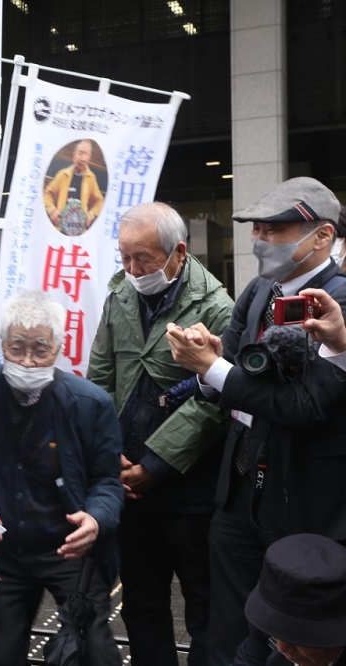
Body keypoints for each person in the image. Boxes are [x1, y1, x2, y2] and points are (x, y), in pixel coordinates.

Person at [165, 176, 346, 665]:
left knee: (290, 634)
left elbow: (305, 406)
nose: (260, 239)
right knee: (229, 623)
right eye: (257, 229)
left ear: (322, 236)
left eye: (274, 229)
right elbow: (235, 369)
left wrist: (216, 371)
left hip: (304, 498)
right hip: (239, 489)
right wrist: (209, 366)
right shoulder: (259, 289)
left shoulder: (338, 301)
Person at [87, 202, 233, 665]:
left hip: (191, 485)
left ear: (178, 253)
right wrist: (108, 454)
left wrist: (156, 464)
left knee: (204, 605)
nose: (133, 269)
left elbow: (215, 402)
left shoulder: (217, 307)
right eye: (124, 257)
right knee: (143, 606)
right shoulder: (120, 298)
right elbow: (100, 379)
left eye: (143, 258)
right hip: (129, 486)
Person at [0, 290, 123, 666]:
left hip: (67, 547)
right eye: (16, 348)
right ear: (2, 345)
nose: (26, 360)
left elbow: (107, 480)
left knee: (94, 649)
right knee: (1, 654)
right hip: (1, 550)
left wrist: (96, 519)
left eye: (40, 350)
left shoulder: (90, 403)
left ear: (60, 347)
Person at [236, 533, 346, 666]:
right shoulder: (267, 624)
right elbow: (249, 660)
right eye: (278, 634)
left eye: (297, 637)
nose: (281, 648)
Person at [43, 139, 104, 235]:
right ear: (74, 155)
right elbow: (47, 193)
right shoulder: (62, 174)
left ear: (89, 158)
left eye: (86, 154)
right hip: (61, 230)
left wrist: (91, 215)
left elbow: (99, 201)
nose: (83, 158)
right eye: (80, 153)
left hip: (80, 233)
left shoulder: (91, 178)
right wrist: (52, 210)